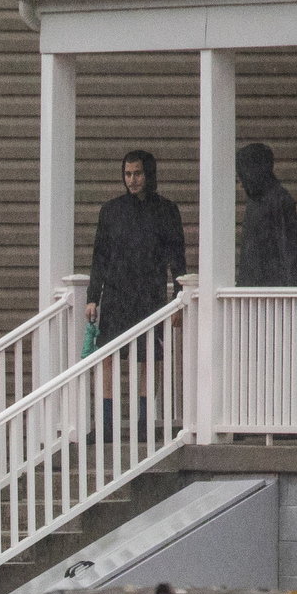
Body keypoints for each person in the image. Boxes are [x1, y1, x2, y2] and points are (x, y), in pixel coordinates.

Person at [86, 150, 185, 444]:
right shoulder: (111, 211)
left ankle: (144, 421)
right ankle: (106, 423)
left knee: (148, 358)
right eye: (127, 174)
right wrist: (93, 297)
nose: (132, 180)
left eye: (138, 173)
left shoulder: (167, 211)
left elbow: (177, 259)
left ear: (149, 174)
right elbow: (99, 257)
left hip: (149, 295)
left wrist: (179, 296)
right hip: (115, 294)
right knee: (108, 356)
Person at [236, 142, 297, 288]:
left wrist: (292, 294)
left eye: (243, 174)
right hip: (251, 294)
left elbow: (290, 252)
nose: (241, 182)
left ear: (255, 171)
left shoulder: (278, 200)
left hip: (274, 296)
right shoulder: (254, 202)